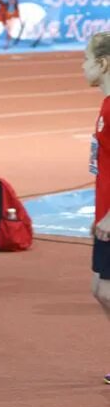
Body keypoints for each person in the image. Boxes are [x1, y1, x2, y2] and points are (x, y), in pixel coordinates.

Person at [83, 31, 110, 385]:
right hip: (103, 213)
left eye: (86, 59)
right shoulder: (105, 105)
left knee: (105, 290)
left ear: (103, 64)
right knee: (98, 290)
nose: (82, 66)